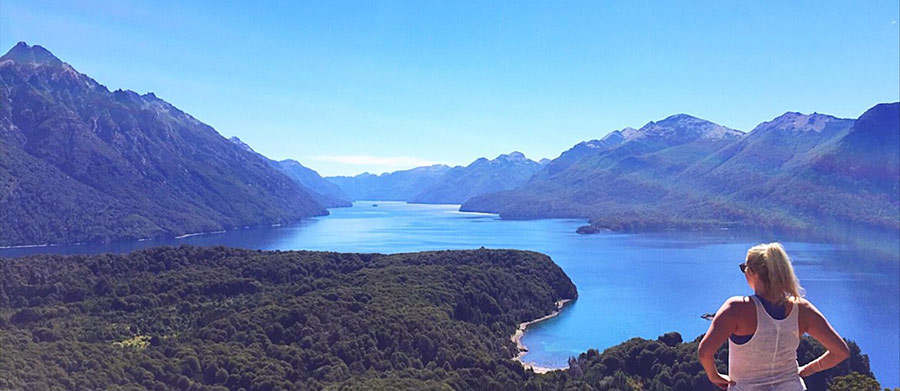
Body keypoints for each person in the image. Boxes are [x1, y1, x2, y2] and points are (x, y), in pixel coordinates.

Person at [698, 242, 850, 390]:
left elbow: (705, 352)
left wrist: (714, 376)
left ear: (753, 272)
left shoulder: (737, 308)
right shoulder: (803, 309)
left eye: (744, 268)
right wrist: (804, 371)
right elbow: (840, 352)